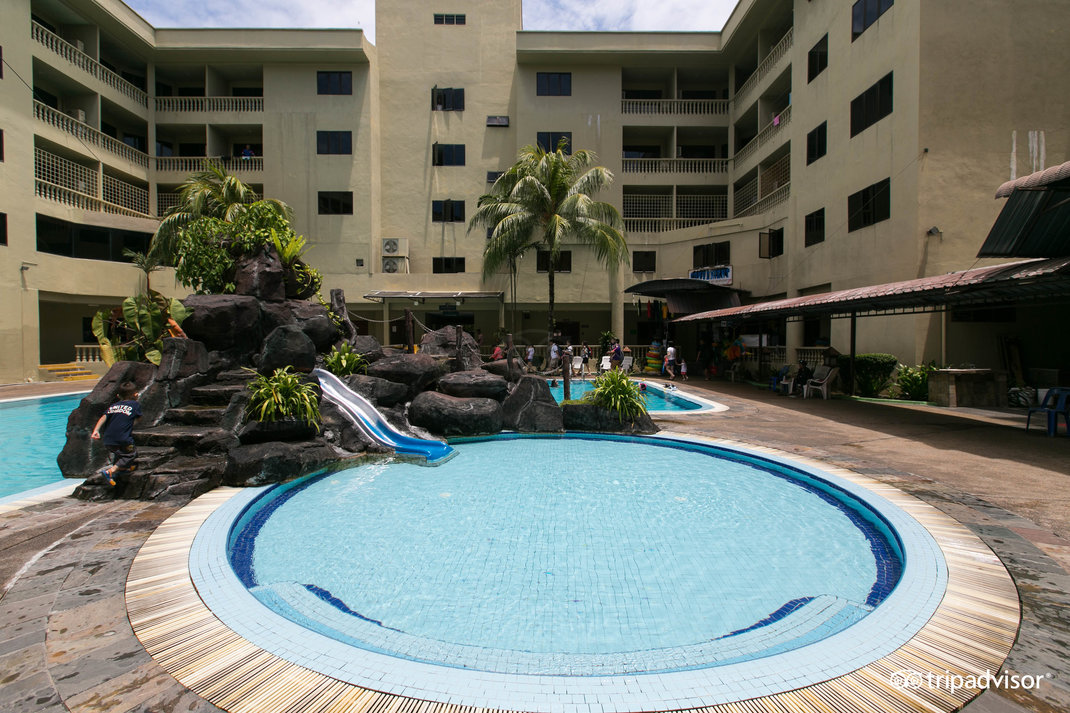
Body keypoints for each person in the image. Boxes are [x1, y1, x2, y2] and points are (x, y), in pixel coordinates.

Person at [90, 381, 142, 488]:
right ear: (136, 394)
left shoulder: (114, 406)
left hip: (108, 439)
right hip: (123, 438)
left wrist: (96, 430)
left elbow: (104, 417)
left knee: (120, 453)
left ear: (118, 396)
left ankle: (123, 469)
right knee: (131, 454)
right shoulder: (135, 404)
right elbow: (138, 419)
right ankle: (111, 471)